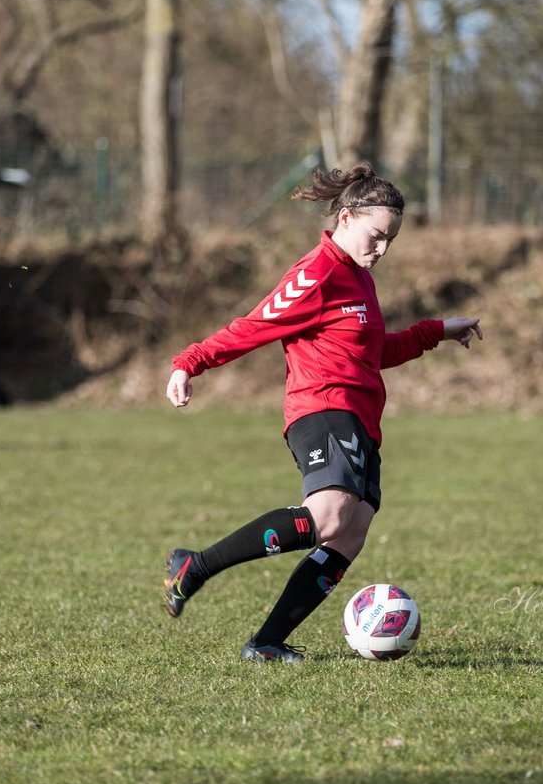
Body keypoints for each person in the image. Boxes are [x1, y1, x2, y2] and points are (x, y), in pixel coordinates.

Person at [160, 163, 483, 664]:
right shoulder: (317, 272)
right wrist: (189, 363)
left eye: (391, 241)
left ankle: (265, 642)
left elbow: (372, 352)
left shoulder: (359, 278)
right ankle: (194, 567)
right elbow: (253, 326)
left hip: (360, 420)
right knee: (330, 515)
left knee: (351, 534)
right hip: (323, 408)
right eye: (376, 236)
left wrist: (435, 331)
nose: (382, 249)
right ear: (347, 217)